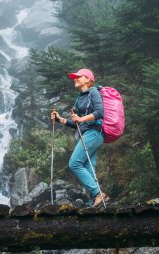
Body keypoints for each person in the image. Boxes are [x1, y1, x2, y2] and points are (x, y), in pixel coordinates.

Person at [50, 68, 110, 207]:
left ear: (88, 79)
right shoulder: (80, 98)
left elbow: (100, 112)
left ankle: (98, 194)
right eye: (74, 77)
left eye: (78, 76)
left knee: (74, 163)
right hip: (86, 134)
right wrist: (59, 119)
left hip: (94, 132)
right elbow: (76, 123)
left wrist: (81, 119)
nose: (75, 79)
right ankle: (94, 202)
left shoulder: (93, 92)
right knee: (89, 169)